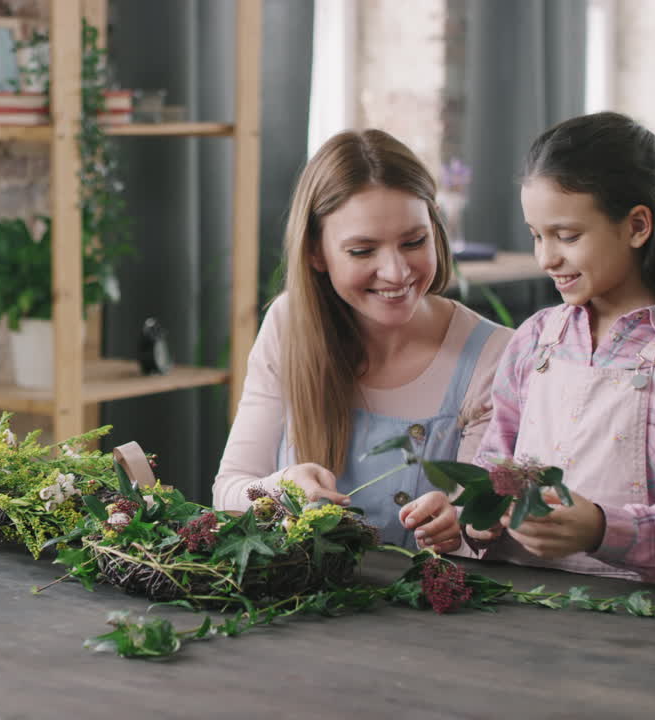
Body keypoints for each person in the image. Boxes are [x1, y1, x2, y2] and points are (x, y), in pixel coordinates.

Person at [468, 111, 655, 584]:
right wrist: (468, 514)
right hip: (514, 607)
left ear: (637, 226)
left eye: (568, 236)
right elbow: (494, 469)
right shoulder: (534, 341)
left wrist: (602, 529)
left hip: (629, 625)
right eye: (536, 236)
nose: (547, 258)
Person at [213, 129, 512, 553]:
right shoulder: (288, 324)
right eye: (362, 251)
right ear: (316, 252)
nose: (395, 272)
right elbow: (229, 491)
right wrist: (280, 489)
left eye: (414, 242)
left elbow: (486, 533)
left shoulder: (494, 355)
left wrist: (460, 525)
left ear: (436, 231)